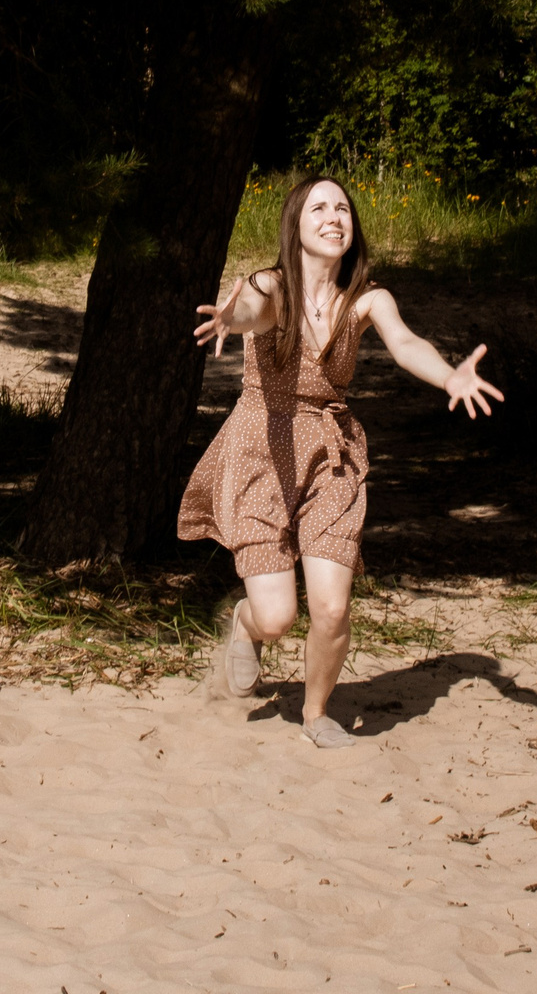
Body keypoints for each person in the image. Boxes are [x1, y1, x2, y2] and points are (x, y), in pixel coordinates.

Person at [182, 174, 504, 748]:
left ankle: (315, 713)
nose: (334, 217)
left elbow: (405, 344)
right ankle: (247, 626)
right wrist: (232, 318)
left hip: (331, 457)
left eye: (343, 209)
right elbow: (255, 308)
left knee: (331, 608)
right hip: (262, 449)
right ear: (295, 224)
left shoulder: (367, 299)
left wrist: (449, 375)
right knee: (277, 617)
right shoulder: (270, 285)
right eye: (319, 209)